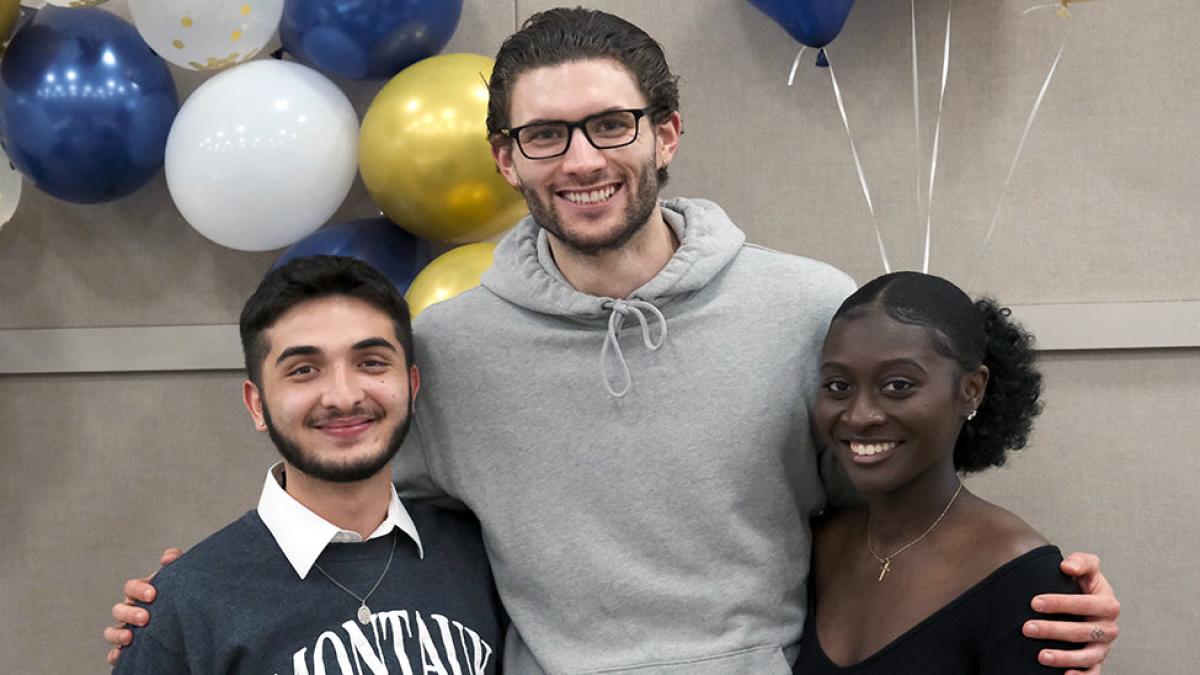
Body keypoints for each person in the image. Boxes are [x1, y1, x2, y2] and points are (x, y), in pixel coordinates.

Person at [107, 8, 1119, 674]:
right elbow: (362, 518)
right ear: (507, 158)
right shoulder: (450, 351)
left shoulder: (807, 306)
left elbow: (901, 507)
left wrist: (1033, 590)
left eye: (610, 125)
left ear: (665, 134)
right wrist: (193, 605)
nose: (581, 159)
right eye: (545, 135)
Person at [112, 256, 505, 674]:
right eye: (304, 370)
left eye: (371, 362)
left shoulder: (484, 555)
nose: (343, 396)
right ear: (257, 405)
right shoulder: (186, 604)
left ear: (410, 385)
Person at [794, 271, 1086, 674]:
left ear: (971, 390)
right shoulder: (817, 546)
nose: (859, 415)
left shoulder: (1025, 578)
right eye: (838, 386)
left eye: (897, 385)